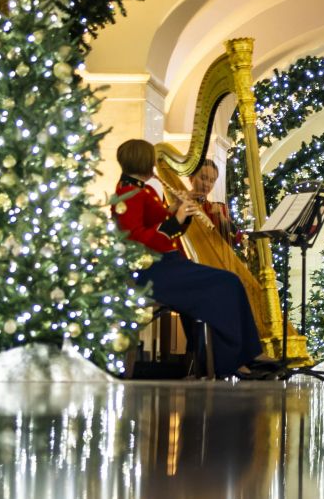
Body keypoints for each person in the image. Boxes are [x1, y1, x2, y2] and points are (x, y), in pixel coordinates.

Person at [113, 138, 265, 380]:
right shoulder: (127, 194)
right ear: (143, 160)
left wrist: (177, 211)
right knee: (227, 283)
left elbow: (167, 227)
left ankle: (240, 357)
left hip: (166, 266)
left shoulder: (145, 191)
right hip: (152, 271)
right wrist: (177, 216)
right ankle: (232, 360)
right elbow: (136, 239)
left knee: (228, 282)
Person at [189, 158, 243, 249]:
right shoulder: (180, 204)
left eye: (212, 181)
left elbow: (237, 239)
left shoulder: (218, 208)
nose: (207, 184)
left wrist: (221, 217)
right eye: (203, 178)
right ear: (191, 178)